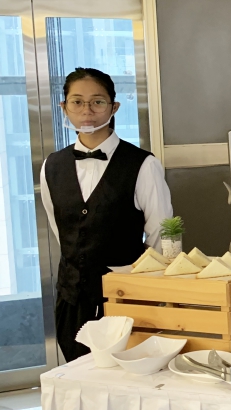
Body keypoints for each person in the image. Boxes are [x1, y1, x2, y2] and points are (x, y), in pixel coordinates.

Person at [40, 67, 173, 362]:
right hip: (72, 300)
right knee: (79, 375)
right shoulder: (52, 165)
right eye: (77, 101)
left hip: (125, 298)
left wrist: (148, 293)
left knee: (129, 376)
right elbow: (61, 229)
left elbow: (162, 237)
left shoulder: (143, 164)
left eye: (97, 102)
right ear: (64, 107)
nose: (87, 110)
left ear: (114, 108)